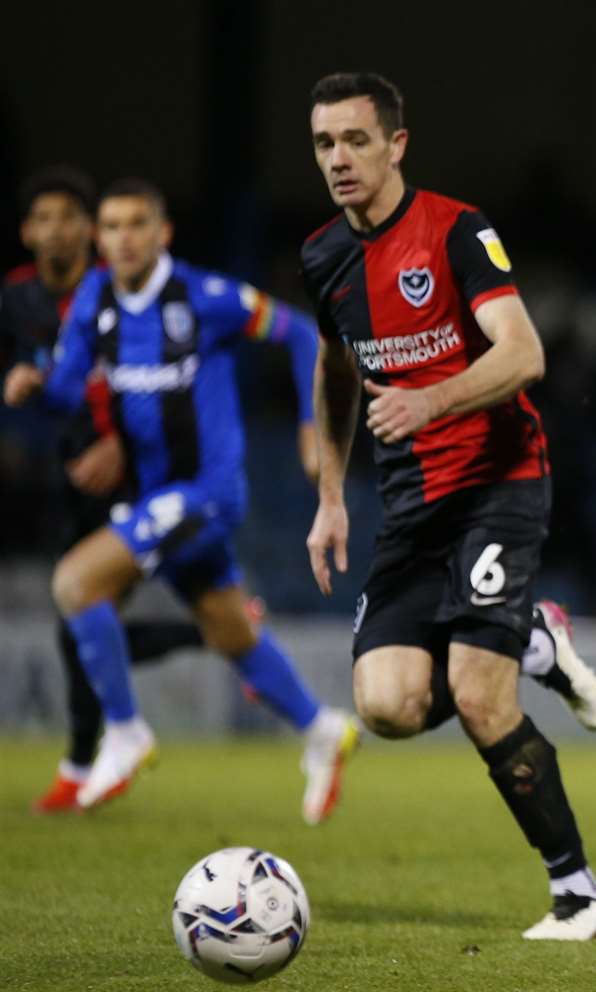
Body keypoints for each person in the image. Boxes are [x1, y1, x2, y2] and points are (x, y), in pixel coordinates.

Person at [300, 72, 596, 940]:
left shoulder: (457, 229)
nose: (339, 159)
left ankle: (579, 895)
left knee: (480, 697)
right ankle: (533, 640)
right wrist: (330, 493)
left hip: (498, 484)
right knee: (387, 705)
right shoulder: (324, 257)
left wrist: (430, 402)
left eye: (356, 140)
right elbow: (334, 374)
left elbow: (524, 355)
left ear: (396, 145)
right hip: (411, 505)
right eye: (325, 143)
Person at [3, 177, 360, 825]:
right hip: (156, 496)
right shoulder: (93, 300)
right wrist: (35, 385)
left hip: (206, 493)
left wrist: (314, 432)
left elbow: (303, 334)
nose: (124, 238)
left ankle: (125, 732)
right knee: (230, 630)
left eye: (137, 224)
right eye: (111, 227)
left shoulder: (205, 297)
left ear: (162, 233)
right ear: (98, 238)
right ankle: (320, 728)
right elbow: (65, 392)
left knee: (77, 584)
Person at [0, 167, 213, 813]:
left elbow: (169, 374)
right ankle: (219, 632)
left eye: (71, 216)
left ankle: (84, 762)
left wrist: (122, 440)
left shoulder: (115, 291)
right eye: (46, 216)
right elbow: (35, 365)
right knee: (85, 622)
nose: (57, 228)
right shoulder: (16, 297)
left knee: (80, 619)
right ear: (27, 231)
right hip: (73, 476)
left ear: (88, 231)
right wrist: (19, 376)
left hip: (135, 470)